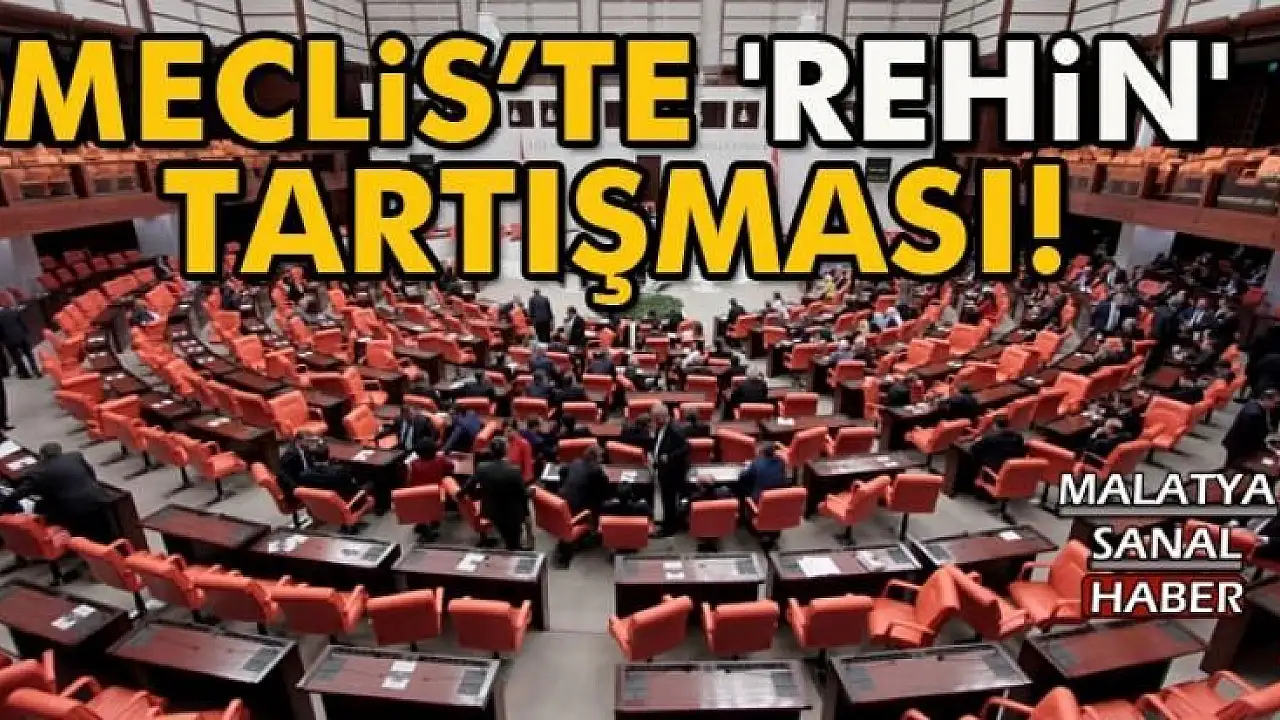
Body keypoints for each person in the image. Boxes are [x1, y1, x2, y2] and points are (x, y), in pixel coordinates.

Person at [4, 442, 114, 544]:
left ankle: (79, 545)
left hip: (73, 509)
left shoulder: (38, 472)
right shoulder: (75, 456)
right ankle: (109, 542)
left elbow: (19, 494)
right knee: (102, 527)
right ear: (60, 451)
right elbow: (91, 474)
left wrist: (5, 503)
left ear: (42, 456)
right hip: (97, 498)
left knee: (45, 510)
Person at [462, 438, 530, 550]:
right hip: (511, 514)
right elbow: (523, 495)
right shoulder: (514, 470)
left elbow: (467, 488)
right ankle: (515, 546)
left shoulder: (481, 467)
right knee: (514, 537)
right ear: (506, 451)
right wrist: (530, 494)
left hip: (490, 511)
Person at [650, 403, 690, 537]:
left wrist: (669, 457)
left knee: (669, 500)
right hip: (664, 469)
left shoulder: (675, 429)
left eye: (655, 418)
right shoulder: (661, 427)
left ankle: (669, 527)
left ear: (662, 417)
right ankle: (668, 522)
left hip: (672, 472)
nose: (653, 421)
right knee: (666, 499)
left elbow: (686, 448)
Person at [1222, 389, 1278, 469]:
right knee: (1232, 467)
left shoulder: (1255, 405)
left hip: (1237, 444)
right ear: (1267, 399)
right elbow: (1251, 436)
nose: (1276, 405)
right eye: (1275, 402)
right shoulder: (1254, 415)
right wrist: (1267, 448)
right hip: (1240, 447)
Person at [297, 441, 362, 501]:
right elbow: (353, 488)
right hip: (343, 502)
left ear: (312, 457)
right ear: (328, 455)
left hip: (318, 505)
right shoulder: (340, 472)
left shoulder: (303, 475)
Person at [559, 444, 610, 516]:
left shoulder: (576, 461)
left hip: (563, 500)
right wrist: (603, 472)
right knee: (601, 499)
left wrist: (565, 481)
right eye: (600, 457)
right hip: (578, 509)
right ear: (595, 458)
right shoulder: (595, 470)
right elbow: (605, 488)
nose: (601, 460)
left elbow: (562, 470)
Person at [0, 304, 39, 379]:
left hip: (10, 340)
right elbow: (21, 322)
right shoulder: (11, 311)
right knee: (29, 354)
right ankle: (36, 370)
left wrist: (2, 341)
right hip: (21, 335)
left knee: (17, 358)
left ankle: (25, 374)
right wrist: (26, 331)